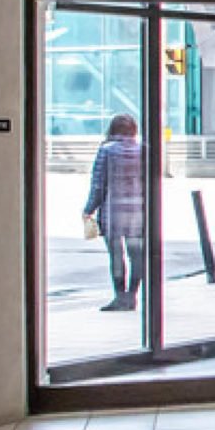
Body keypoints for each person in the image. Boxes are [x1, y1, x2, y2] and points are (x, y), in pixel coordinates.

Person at [83, 114, 146, 312]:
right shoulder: (143, 150)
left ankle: (120, 296)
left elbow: (98, 184)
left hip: (113, 211)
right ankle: (133, 295)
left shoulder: (106, 151)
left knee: (117, 256)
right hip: (138, 211)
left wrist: (89, 209)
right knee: (136, 254)